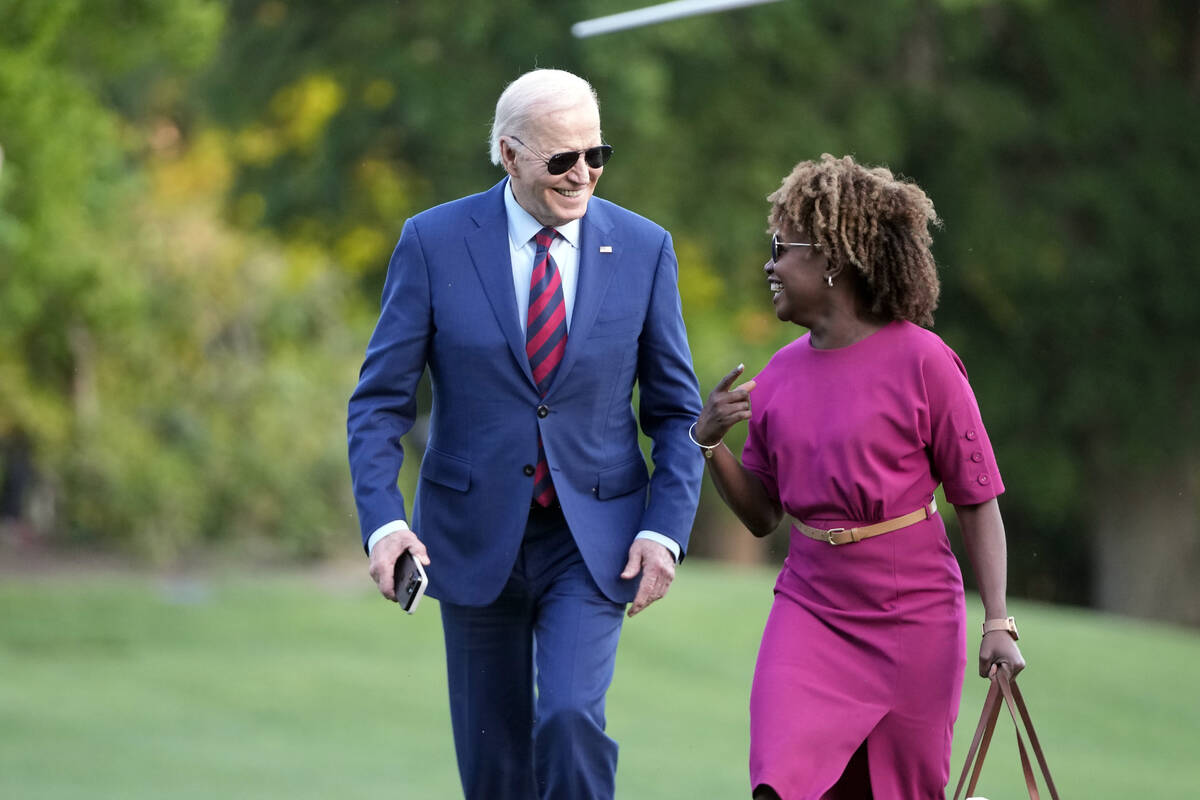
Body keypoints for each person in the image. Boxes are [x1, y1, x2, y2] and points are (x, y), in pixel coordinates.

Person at [346, 68, 704, 800]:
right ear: (509, 156)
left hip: (593, 538)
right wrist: (384, 523)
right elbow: (379, 402)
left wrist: (665, 531)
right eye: (562, 160)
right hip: (471, 540)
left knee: (570, 719)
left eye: (596, 155)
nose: (583, 175)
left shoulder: (644, 249)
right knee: (493, 769)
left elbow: (674, 413)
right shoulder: (433, 242)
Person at [692, 154, 1025, 799]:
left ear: (832, 260)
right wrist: (711, 446)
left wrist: (998, 621)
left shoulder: (926, 362)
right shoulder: (780, 375)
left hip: (913, 617)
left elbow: (978, 501)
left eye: (780, 248)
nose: (769, 265)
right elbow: (764, 517)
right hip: (809, 608)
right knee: (778, 784)